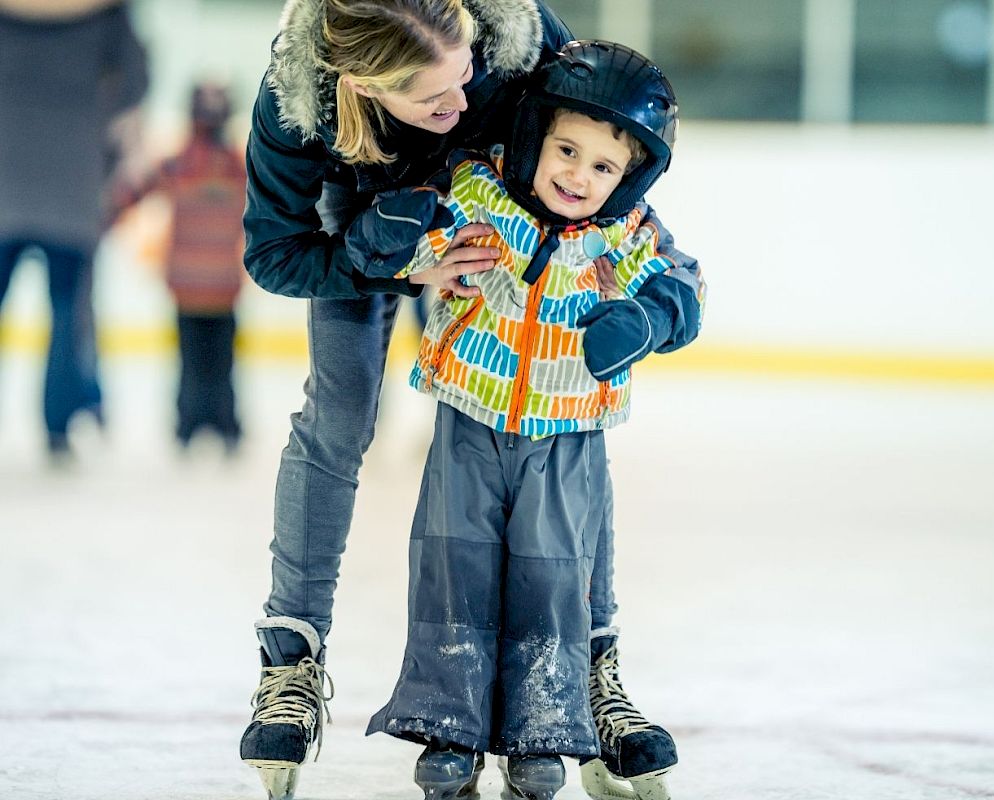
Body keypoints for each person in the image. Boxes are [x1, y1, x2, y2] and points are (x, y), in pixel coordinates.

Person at [236, 3, 703, 799]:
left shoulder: (516, 36)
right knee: (339, 418)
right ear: (362, 85)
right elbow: (275, 253)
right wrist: (396, 266)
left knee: (567, 424)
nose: (458, 102)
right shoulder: (298, 103)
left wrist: (643, 298)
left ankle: (591, 670)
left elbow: (600, 139)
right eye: (432, 98)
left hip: (499, 198)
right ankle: (292, 661)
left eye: (467, 77)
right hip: (366, 228)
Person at [0, 0, 148, 462]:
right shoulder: (108, 13)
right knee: (67, 314)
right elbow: (136, 82)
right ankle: (59, 426)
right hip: (73, 179)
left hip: (4, 177)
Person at [113, 83, 246, 453]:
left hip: (189, 282)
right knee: (222, 361)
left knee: (191, 360)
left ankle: (189, 426)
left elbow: (130, 192)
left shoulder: (180, 162)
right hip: (221, 283)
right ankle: (223, 425)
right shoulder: (237, 166)